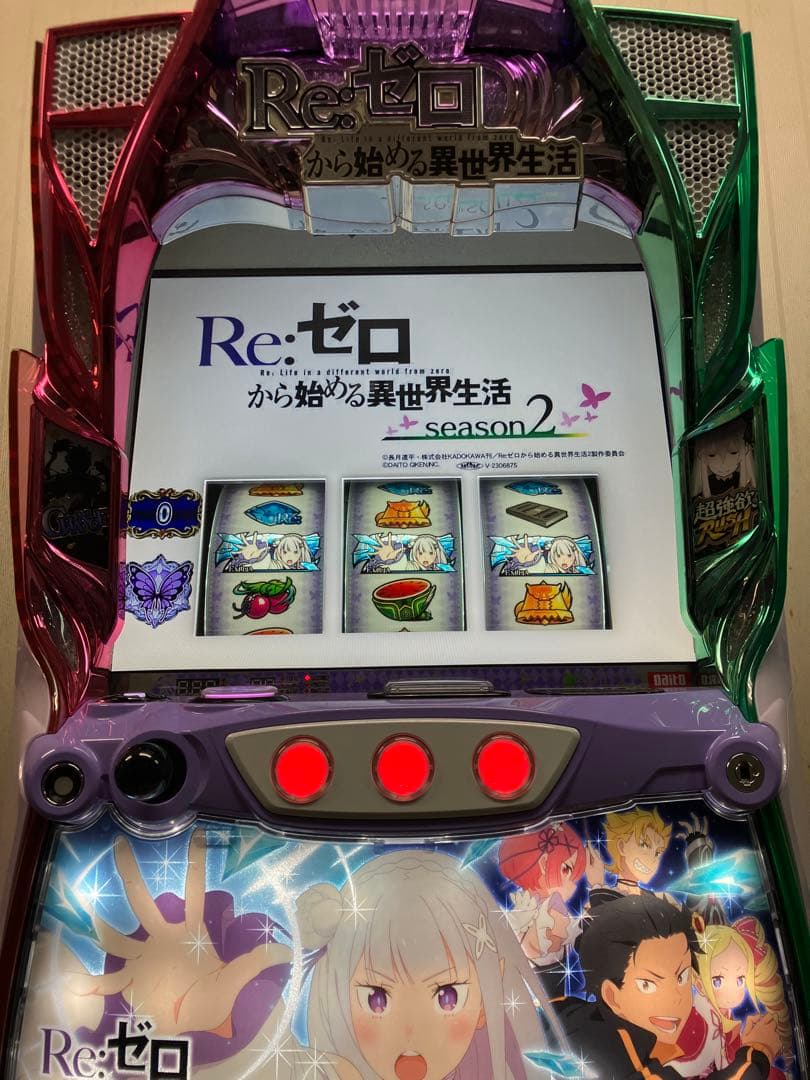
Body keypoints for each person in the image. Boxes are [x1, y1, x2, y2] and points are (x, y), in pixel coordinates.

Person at [556, 890, 779, 1079]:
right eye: (648, 985)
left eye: (682, 977)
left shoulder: (574, 1015)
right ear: (612, 995)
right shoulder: (611, 1056)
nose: (676, 999)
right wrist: (758, 1053)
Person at [498, 824, 602, 997]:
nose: (573, 885)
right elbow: (586, 939)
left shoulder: (526, 912)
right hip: (546, 1003)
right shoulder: (550, 913)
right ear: (544, 864)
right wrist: (597, 887)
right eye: (566, 869)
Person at [695, 920, 792, 1077]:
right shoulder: (699, 1022)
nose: (732, 992)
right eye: (717, 981)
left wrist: (746, 1043)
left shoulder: (724, 1016)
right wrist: (757, 1049)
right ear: (700, 984)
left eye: (740, 980)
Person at [603, 807, 672, 894]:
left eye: (658, 853)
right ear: (622, 847)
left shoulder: (652, 897)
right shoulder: (606, 895)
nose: (652, 859)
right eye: (644, 845)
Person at [691, 420, 756, 499]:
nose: (723, 464)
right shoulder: (707, 483)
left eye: (733, 453)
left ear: (744, 450)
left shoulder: (743, 479)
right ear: (701, 455)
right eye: (712, 455)